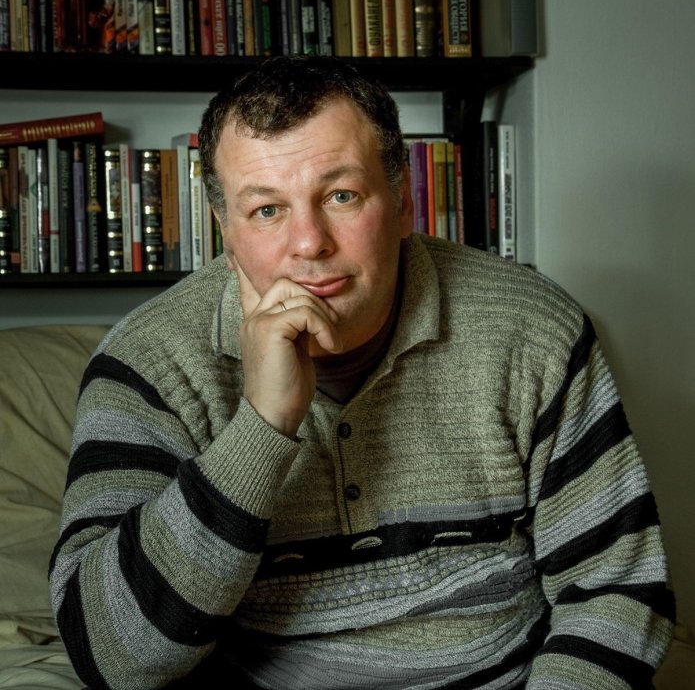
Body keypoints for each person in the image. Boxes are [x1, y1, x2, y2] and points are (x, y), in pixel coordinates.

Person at [49, 55, 675, 690]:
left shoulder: (534, 329)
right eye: (266, 210)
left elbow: (614, 595)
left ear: (403, 202)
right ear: (225, 233)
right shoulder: (149, 362)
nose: (309, 242)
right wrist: (261, 430)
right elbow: (112, 658)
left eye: (340, 196)